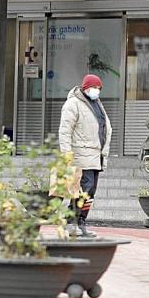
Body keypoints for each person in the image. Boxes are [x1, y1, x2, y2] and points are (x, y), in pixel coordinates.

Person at [58, 74, 112, 237]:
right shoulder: (73, 104)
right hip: (81, 155)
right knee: (84, 188)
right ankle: (71, 221)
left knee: (91, 191)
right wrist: (66, 155)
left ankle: (80, 221)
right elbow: (65, 131)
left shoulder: (96, 103)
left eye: (99, 88)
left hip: (96, 155)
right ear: (86, 88)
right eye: (94, 87)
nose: (97, 91)